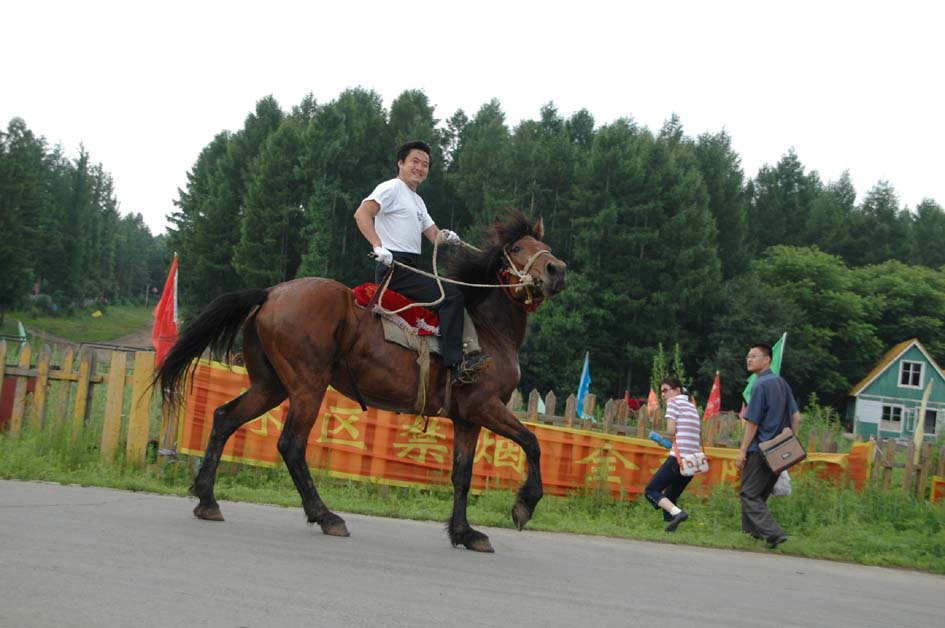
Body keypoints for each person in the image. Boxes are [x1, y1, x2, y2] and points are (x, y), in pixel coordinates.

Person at [353, 140, 491, 384]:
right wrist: (378, 246)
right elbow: (362, 213)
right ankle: (456, 364)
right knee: (452, 296)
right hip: (393, 268)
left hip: (409, 267)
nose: (419, 167)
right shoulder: (391, 188)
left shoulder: (418, 202)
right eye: (414, 161)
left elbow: (434, 237)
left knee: (455, 291)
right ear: (401, 163)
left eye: (425, 164)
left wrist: (447, 237)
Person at [736, 343, 801, 548]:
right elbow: (796, 417)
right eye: (748, 356)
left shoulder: (760, 385)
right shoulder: (781, 383)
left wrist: (743, 450)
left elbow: (752, 422)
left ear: (767, 360)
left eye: (754, 356)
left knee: (748, 493)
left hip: (760, 448)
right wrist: (789, 442)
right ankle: (754, 535)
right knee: (760, 494)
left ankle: (773, 532)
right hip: (780, 449)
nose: (749, 359)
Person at [643, 376, 702, 532]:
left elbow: (671, 431)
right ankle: (670, 530)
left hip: (678, 458)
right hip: (692, 462)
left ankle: (679, 513)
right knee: (670, 495)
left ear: (676, 390)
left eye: (665, 390)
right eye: (661, 391)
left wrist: (659, 438)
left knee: (651, 490)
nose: (663, 394)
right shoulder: (691, 406)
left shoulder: (673, 403)